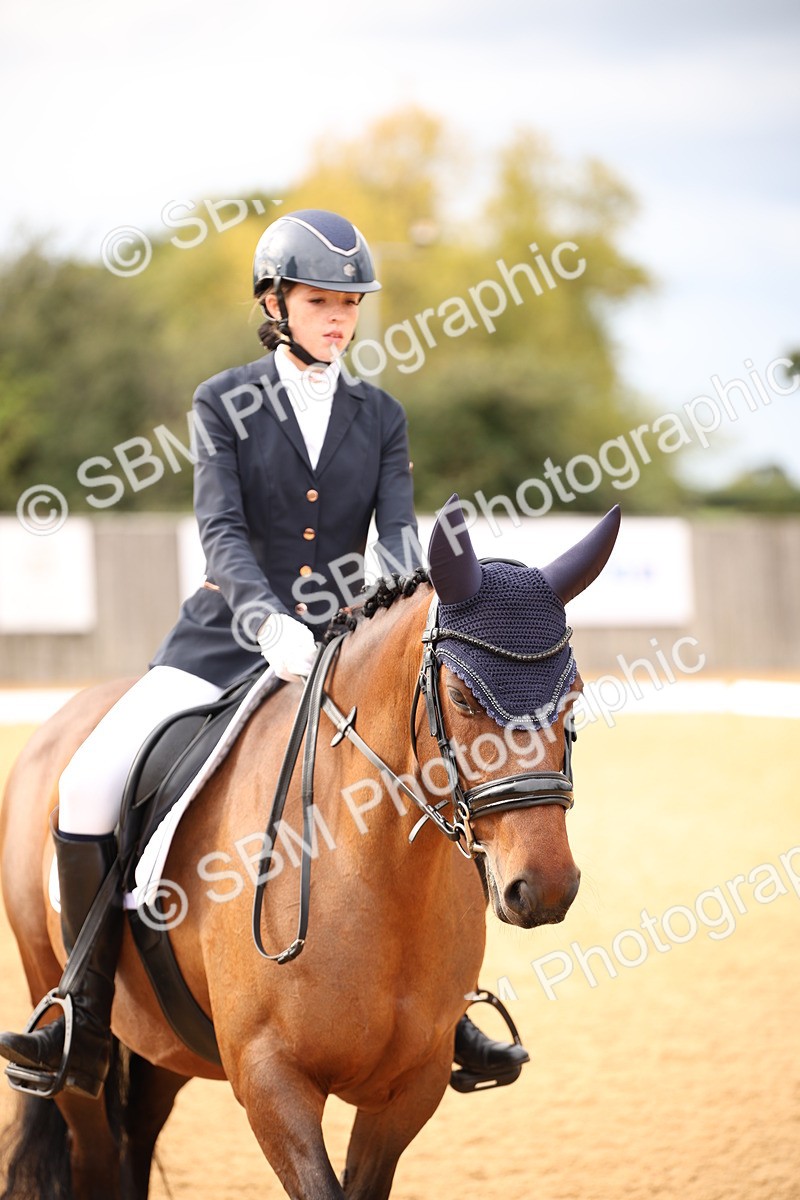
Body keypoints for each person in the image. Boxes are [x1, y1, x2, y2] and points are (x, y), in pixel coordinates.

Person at [0, 208, 527, 1098]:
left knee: (433, 766)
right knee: (90, 783)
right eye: (320, 300)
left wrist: (382, 621)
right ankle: (81, 1013)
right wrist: (266, 620)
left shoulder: (381, 415)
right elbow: (223, 534)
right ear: (276, 303)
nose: (338, 317)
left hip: (339, 650)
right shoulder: (223, 402)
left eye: (350, 303)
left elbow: (395, 540)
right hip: (219, 642)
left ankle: (447, 1005)